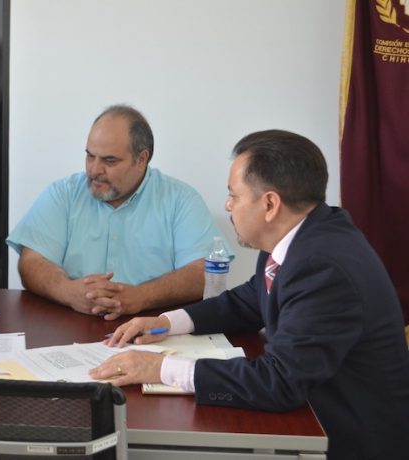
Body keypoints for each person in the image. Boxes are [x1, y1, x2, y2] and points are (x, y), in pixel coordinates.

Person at [90, 129, 409, 459]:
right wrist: (166, 323)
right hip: (314, 417)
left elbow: (280, 382)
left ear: (270, 204)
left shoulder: (323, 268)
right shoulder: (303, 233)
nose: (227, 205)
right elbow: (251, 299)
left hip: (350, 439)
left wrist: (161, 369)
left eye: (234, 195)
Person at [7, 105, 228, 320]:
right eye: (90, 156)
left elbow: (204, 273)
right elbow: (32, 261)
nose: (94, 170)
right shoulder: (63, 193)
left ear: (141, 159)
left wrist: (142, 296)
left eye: (109, 160)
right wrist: (68, 292)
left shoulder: (181, 200)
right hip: (71, 321)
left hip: (153, 326)